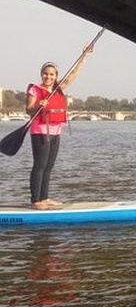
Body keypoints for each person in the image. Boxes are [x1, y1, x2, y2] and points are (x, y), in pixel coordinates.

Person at [26, 46, 93, 210]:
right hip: (40, 131)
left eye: (52, 74)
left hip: (55, 131)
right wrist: (37, 106)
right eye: (45, 73)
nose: (48, 76)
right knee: (40, 165)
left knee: (49, 166)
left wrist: (84, 56)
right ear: (41, 74)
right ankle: (36, 200)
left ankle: (44, 197)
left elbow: (73, 75)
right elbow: (28, 110)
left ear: (55, 76)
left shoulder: (58, 88)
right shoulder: (35, 89)